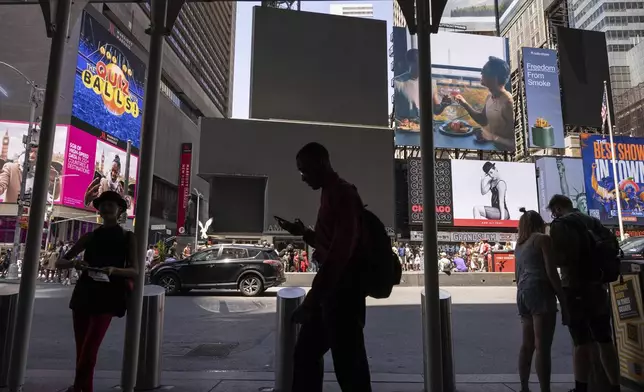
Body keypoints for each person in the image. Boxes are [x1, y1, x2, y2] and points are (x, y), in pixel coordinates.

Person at [277, 142, 371, 392]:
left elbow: (339, 255)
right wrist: (304, 233)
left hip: (342, 295)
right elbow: (330, 243)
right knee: (313, 356)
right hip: (333, 295)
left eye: (304, 170)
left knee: (349, 369)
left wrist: (310, 302)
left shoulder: (342, 194)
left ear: (321, 163)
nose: (302, 177)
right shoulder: (330, 193)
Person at [55, 190, 138, 392]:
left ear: (119, 210)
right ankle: (84, 388)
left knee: (88, 352)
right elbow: (60, 262)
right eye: (104, 204)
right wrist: (75, 263)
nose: (107, 207)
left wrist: (114, 270)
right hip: (85, 293)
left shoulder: (128, 237)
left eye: (112, 204)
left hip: (108, 296)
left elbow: (135, 270)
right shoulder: (89, 236)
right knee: (82, 350)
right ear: (99, 209)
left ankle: (79, 388)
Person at [547, 195, 621, 392]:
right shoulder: (592, 221)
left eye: (553, 211)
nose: (553, 214)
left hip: (574, 286)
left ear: (558, 208)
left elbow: (560, 259)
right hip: (598, 286)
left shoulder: (560, 225)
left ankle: (581, 388)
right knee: (605, 340)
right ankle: (615, 387)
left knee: (581, 342)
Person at [514, 208, 568, 392]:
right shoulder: (543, 240)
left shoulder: (519, 245)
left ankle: (524, 387)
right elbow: (551, 272)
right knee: (542, 346)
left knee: (527, 344)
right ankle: (545, 389)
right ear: (540, 223)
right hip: (540, 290)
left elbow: (517, 274)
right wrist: (562, 298)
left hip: (523, 292)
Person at [455, 56, 514, 150]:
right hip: (490, 149)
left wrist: (493, 137)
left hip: (505, 156)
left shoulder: (509, 103)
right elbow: (483, 120)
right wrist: (464, 103)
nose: (481, 73)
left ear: (495, 77)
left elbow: (516, 143)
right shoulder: (489, 96)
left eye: (484, 71)